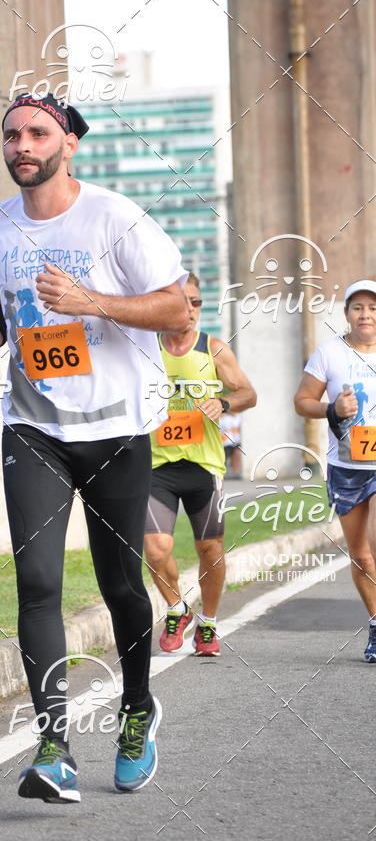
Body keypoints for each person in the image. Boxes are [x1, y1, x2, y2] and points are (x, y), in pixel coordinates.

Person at [0, 93, 189, 803]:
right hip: (34, 425)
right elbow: (3, 301)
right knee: (37, 583)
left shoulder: (116, 219)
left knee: (121, 586)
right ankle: (54, 747)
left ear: (69, 144)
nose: (22, 145)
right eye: (12, 135)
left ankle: (137, 710)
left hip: (116, 429)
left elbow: (176, 306)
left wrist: (92, 301)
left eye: (38, 133)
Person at [144, 274, 257, 656]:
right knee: (155, 549)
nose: (191, 310)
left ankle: (207, 623)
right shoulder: (144, 348)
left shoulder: (213, 348)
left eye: (197, 302)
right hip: (156, 465)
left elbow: (248, 393)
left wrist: (223, 403)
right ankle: (177, 608)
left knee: (210, 548)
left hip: (204, 466)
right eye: (184, 302)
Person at [294, 279, 376, 663]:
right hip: (347, 467)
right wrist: (332, 409)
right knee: (361, 556)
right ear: (347, 314)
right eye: (358, 308)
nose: (366, 315)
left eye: (372, 308)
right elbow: (302, 401)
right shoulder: (329, 353)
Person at [220, 411, 242, 478]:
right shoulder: (223, 418)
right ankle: (223, 473)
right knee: (224, 458)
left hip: (231, 442)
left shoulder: (229, 418)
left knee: (235, 456)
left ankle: (236, 472)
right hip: (223, 442)